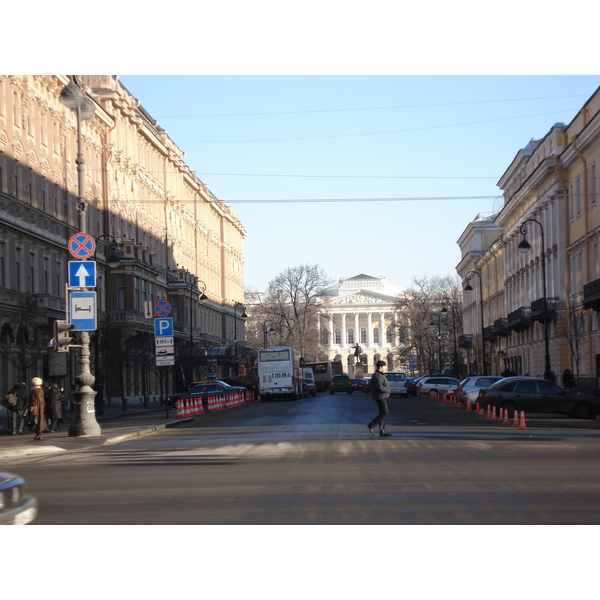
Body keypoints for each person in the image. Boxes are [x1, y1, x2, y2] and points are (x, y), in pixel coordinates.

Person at [367, 360, 392, 437]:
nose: (386, 368)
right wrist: (388, 389)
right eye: (385, 366)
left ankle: (382, 431)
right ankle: (372, 425)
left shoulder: (381, 375)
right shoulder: (378, 376)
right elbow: (379, 387)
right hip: (380, 396)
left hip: (382, 396)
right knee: (385, 413)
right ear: (380, 367)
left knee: (382, 413)